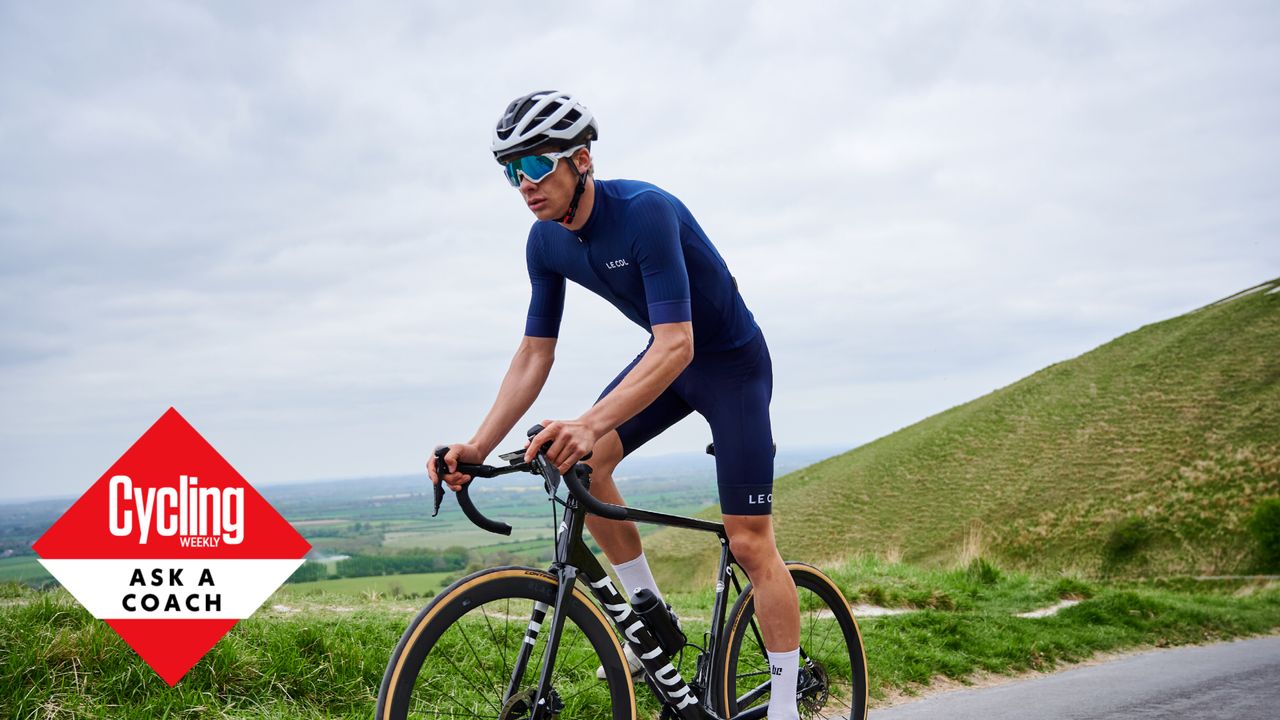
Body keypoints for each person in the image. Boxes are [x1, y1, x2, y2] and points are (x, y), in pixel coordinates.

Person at [427, 90, 801, 720]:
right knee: (587, 463)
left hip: (729, 366)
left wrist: (591, 420)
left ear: (582, 160)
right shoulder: (544, 242)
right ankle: (651, 616)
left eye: (537, 166)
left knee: (749, 544)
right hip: (667, 364)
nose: (524, 185)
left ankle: (787, 705)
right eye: (511, 171)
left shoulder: (644, 213)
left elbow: (679, 343)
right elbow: (532, 355)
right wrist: (477, 446)